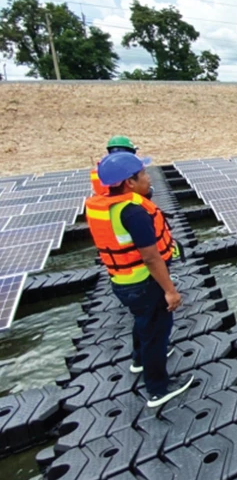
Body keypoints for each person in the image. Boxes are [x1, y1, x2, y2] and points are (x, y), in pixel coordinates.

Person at [85, 151, 193, 408]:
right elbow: (151, 257)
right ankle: (158, 388)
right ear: (129, 182)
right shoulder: (133, 212)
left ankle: (138, 360)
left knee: (142, 321)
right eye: (143, 174)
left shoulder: (104, 205)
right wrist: (170, 290)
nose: (148, 177)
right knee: (156, 333)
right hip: (145, 282)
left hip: (121, 280)